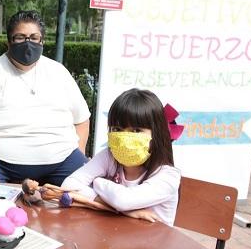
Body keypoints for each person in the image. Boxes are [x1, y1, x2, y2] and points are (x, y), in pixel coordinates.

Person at [0, 10, 90, 185]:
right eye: (20, 38)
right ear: (8, 42)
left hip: (62, 160)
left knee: (88, 196)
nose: (28, 43)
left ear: (42, 40)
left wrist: (78, 154)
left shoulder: (58, 72)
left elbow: (82, 119)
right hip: (2, 164)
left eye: (34, 37)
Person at [28, 88, 181, 225]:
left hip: (152, 248)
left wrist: (97, 182)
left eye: (136, 131)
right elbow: (69, 184)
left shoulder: (168, 176)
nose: (125, 137)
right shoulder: (110, 157)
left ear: (158, 133)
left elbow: (123, 200)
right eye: (118, 129)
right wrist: (121, 209)